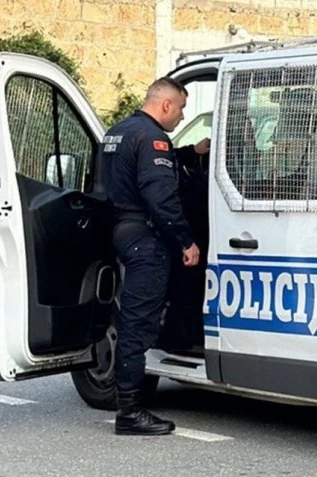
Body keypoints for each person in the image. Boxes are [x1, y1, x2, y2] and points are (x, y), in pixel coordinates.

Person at [99, 76, 210, 434]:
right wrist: (186, 240)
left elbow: (141, 166)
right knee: (138, 324)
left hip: (122, 230)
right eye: (181, 108)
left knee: (134, 318)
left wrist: (191, 153)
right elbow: (161, 195)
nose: (182, 116)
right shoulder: (154, 138)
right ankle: (130, 413)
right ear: (165, 105)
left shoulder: (119, 132)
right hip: (146, 238)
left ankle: (131, 404)